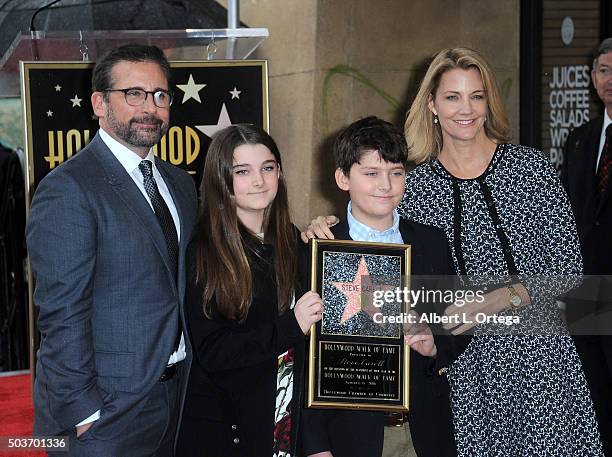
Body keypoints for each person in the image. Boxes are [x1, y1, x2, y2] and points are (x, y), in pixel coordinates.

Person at [304, 48, 603, 456]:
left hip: (540, 364)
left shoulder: (530, 169)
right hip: (460, 375)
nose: (467, 109)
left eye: (477, 96)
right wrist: (323, 228)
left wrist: (498, 298)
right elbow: (373, 242)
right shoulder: (415, 186)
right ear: (431, 104)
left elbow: (567, 268)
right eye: (453, 97)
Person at [26, 44, 198, 456]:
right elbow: (61, 312)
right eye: (134, 94)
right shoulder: (69, 188)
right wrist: (83, 412)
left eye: (160, 96)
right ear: (99, 103)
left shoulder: (180, 184)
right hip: (106, 413)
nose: (150, 107)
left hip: (177, 396)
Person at [300, 116, 458, 457]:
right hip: (348, 437)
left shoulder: (431, 243)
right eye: (371, 174)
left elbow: (458, 321)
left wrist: (435, 343)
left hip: (424, 431)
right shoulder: (319, 249)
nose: (385, 185)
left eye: (396, 172)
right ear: (343, 178)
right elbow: (302, 358)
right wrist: (314, 446)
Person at [176, 124, 323, 457]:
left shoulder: (289, 237)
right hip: (227, 429)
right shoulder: (204, 250)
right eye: (243, 171)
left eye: (267, 168)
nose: (259, 180)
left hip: (284, 420)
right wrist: (291, 326)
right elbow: (213, 351)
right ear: (222, 179)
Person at [561, 37, 612, 456]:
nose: (610, 80)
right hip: (586, 292)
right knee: (594, 393)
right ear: (593, 80)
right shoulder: (580, 139)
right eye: (603, 70)